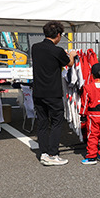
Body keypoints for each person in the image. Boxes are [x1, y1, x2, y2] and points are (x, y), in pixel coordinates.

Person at [31, 21, 77, 166]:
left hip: (38, 91)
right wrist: (72, 55)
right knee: (57, 122)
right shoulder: (57, 51)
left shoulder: (35, 48)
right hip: (53, 92)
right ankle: (52, 153)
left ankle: (44, 153)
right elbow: (69, 64)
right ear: (58, 35)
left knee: (43, 123)